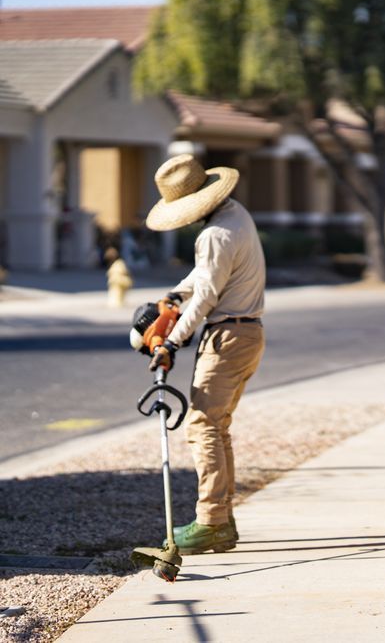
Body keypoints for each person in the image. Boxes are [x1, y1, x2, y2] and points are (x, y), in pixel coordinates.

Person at [144, 154, 266, 555]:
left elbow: (207, 296)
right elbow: (204, 277)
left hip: (227, 335)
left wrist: (171, 342)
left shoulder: (213, 235)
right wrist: (173, 296)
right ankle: (222, 519)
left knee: (202, 427)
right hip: (247, 333)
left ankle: (211, 521)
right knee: (218, 425)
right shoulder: (236, 215)